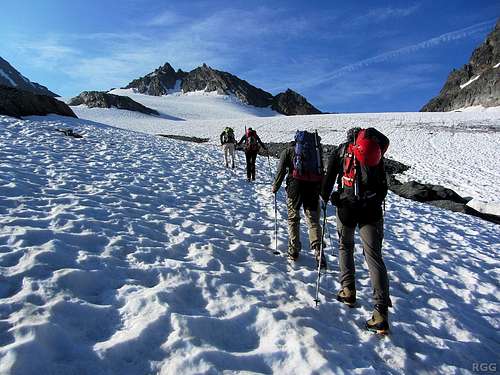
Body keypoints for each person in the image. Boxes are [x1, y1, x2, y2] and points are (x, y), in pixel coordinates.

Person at [321, 127, 392, 334]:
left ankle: (348, 290)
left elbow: (329, 179)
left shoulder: (341, 150)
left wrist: (326, 198)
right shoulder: (374, 152)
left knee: (345, 246)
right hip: (371, 210)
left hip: (346, 208)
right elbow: (383, 187)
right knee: (374, 257)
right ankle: (380, 313)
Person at [272, 130, 326, 269]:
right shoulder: (316, 151)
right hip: (313, 187)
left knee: (293, 219)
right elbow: (321, 170)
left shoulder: (288, 152)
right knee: (313, 220)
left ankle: (294, 250)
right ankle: (318, 251)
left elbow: (280, 171)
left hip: (294, 188)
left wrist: (275, 187)